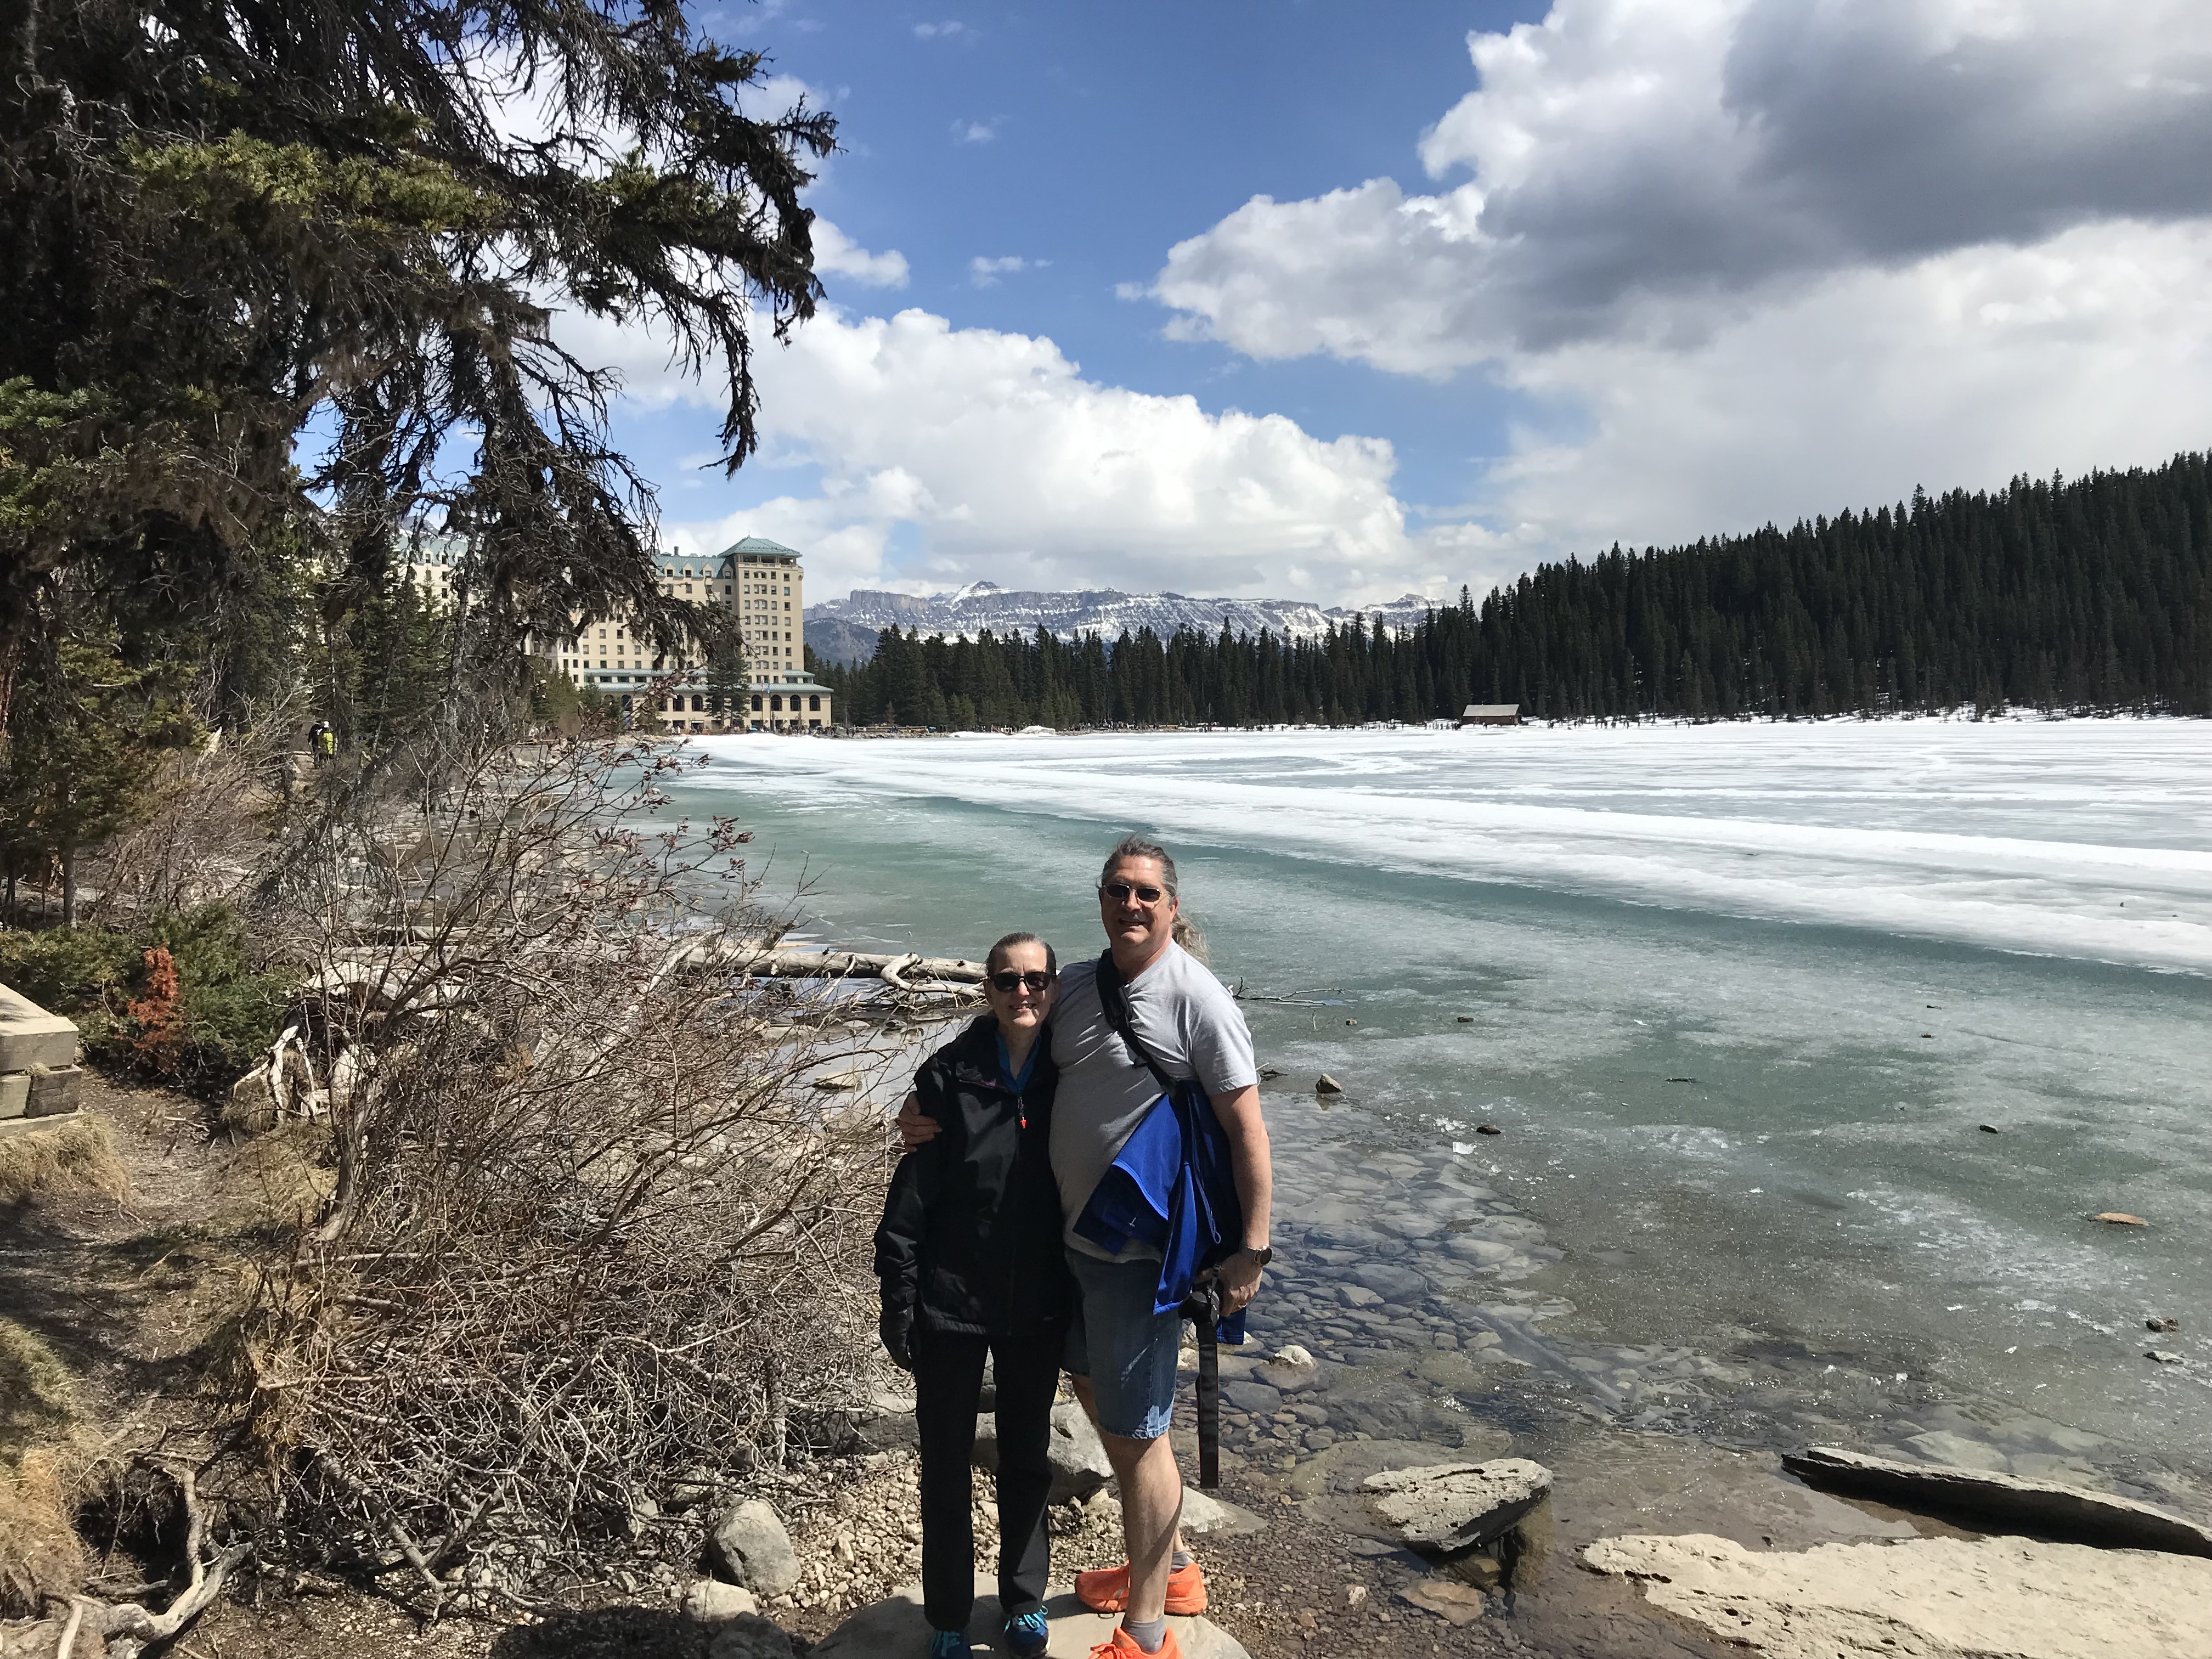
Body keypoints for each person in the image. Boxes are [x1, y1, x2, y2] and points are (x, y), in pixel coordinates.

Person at [899, 836, 1273, 1659]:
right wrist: (923, 1103)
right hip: (1071, 1246)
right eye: (1117, 890)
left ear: (1173, 906)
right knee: (1102, 1400)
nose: (1131, 904)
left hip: (1141, 1250)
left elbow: (1248, 1127)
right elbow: (1001, 1033)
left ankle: (1147, 1632)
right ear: (1101, 900)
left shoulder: (1199, 1000)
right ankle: (1175, 1568)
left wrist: (1251, 1251)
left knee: (1138, 1433)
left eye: (1147, 893)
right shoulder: (1075, 986)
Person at [874, 933, 1074, 1659]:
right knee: (945, 1463)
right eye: (1008, 980)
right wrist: (899, 1299)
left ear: (1054, 988)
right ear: (987, 989)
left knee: (1026, 1458)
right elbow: (911, 1199)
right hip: (950, 1302)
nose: (1024, 992)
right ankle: (950, 1616)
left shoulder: (1073, 1073)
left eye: (1036, 980)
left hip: (1037, 1304)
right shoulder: (947, 1076)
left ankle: (1024, 1601)